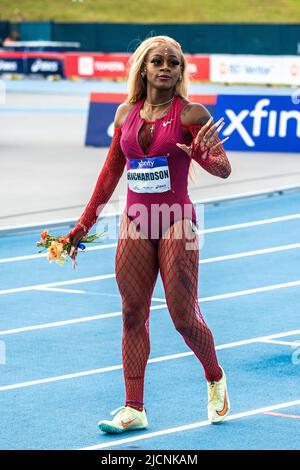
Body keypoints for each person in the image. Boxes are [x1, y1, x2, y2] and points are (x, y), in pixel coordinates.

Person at [67, 35, 231, 434]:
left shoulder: (192, 115)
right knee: (130, 314)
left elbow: (224, 169)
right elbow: (110, 175)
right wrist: (81, 228)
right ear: (143, 67)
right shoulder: (126, 114)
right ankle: (133, 408)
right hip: (136, 220)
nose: (165, 67)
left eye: (173, 63)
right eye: (157, 61)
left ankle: (214, 377)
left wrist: (204, 156)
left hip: (178, 220)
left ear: (180, 72)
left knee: (182, 317)